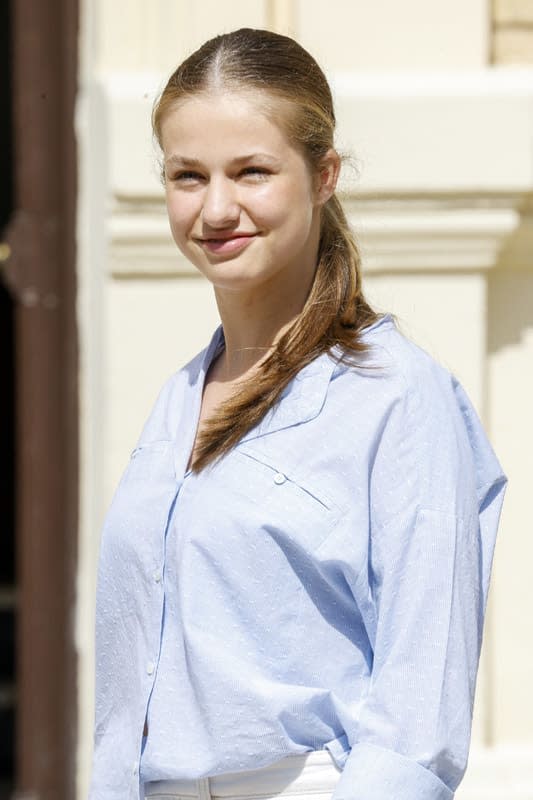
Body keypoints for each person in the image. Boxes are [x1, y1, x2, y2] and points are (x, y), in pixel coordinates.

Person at [89, 28, 506, 800]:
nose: (216, 208)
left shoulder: (399, 398)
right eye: (188, 175)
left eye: (251, 171)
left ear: (323, 177)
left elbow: (419, 715)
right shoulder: (178, 398)